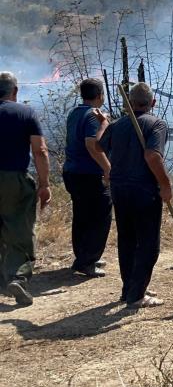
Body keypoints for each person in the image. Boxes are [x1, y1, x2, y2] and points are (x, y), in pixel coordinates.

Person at [99, 83, 170, 308]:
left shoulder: (117, 124)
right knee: (149, 244)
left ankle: (130, 288)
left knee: (127, 240)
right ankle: (137, 295)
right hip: (143, 190)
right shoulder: (156, 124)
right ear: (153, 103)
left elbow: (100, 146)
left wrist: (104, 124)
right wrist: (165, 184)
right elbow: (152, 156)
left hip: (119, 189)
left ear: (129, 103)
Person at [0, 72, 50, 306]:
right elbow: (39, 151)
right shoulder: (25, 113)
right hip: (14, 179)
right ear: (15, 91)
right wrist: (44, 183)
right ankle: (18, 277)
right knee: (20, 228)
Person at [63, 78, 112, 278]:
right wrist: (108, 168)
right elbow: (93, 145)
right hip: (88, 174)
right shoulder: (93, 116)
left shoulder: (74, 113)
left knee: (82, 215)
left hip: (72, 172)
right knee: (101, 215)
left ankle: (83, 256)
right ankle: (88, 261)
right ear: (100, 95)